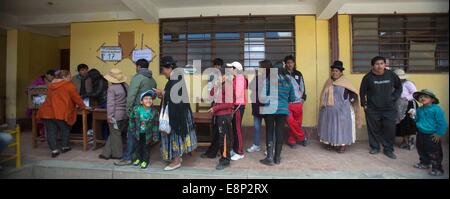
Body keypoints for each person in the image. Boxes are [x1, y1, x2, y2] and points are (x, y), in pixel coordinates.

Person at [155, 56, 197, 171]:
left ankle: (176, 160)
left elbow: (174, 96)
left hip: (177, 114)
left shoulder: (175, 78)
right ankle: (177, 158)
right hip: (179, 112)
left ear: (169, 68)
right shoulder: (176, 77)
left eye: (163, 69)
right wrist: (163, 94)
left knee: (174, 135)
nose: (163, 73)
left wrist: (162, 93)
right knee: (176, 136)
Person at [114, 59, 157, 166]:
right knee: (143, 135)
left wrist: (128, 110)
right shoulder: (153, 80)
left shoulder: (138, 78)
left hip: (137, 110)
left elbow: (131, 95)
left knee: (132, 134)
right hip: (148, 110)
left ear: (138, 66)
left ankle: (128, 158)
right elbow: (154, 95)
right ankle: (139, 157)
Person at [360, 56, 402, 159]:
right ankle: (375, 147)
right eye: (377, 64)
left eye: (382, 63)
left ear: (385, 64)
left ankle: (388, 149)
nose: (379, 66)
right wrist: (364, 104)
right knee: (373, 130)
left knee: (390, 129)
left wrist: (394, 98)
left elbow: (399, 87)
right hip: (373, 109)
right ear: (373, 65)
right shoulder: (368, 77)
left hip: (389, 108)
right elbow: (362, 92)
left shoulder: (391, 75)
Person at [37, 70, 86, 157]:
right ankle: (64, 146)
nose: (71, 78)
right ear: (64, 77)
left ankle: (54, 150)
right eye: (69, 76)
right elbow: (77, 98)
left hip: (47, 111)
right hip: (60, 111)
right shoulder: (68, 85)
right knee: (65, 128)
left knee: (51, 131)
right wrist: (83, 107)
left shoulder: (51, 85)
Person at [318, 61, 362, 153]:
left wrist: (350, 101)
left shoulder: (346, 83)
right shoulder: (328, 82)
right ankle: (331, 142)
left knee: (342, 128)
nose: (334, 73)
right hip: (328, 111)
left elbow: (354, 95)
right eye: (333, 71)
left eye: (337, 71)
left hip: (342, 111)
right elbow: (323, 94)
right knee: (329, 126)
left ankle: (343, 145)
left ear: (341, 72)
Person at [259, 61, 296, 165]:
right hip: (283, 110)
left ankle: (269, 157)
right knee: (280, 132)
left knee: (269, 131)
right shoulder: (288, 81)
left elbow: (262, 97)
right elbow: (292, 98)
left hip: (270, 110)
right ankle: (277, 158)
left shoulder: (269, 80)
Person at [411, 89, 447, 176]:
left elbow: (442, 123)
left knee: (434, 152)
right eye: (421, 97)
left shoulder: (437, 109)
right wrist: (413, 116)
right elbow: (417, 120)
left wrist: (439, 133)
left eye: (426, 97)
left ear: (432, 99)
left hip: (432, 135)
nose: (422, 98)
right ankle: (424, 163)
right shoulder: (419, 110)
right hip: (421, 133)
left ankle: (437, 168)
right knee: (421, 149)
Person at [99, 68, 128, 160]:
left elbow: (111, 104)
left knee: (115, 135)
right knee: (114, 133)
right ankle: (106, 153)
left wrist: (109, 116)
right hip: (125, 114)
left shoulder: (111, 88)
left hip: (116, 115)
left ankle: (117, 154)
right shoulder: (126, 86)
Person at [206, 73, 234, 170]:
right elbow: (211, 94)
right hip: (218, 115)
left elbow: (229, 104)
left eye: (222, 75)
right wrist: (217, 83)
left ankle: (225, 160)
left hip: (224, 115)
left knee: (224, 139)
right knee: (217, 136)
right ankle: (212, 153)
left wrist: (215, 108)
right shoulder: (220, 85)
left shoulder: (228, 85)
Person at [130, 90, 160, 170]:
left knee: (146, 148)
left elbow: (156, 125)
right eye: (146, 99)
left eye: (150, 99)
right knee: (138, 147)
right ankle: (138, 159)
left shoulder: (154, 112)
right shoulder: (136, 109)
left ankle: (145, 160)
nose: (148, 100)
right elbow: (132, 120)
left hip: (148, 134)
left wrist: (155, 136)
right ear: (141, 101)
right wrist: (132, 130)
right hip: (137, 133)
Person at [284, 55, 308, 148]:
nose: (290, 64)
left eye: (291, 62)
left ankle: (292, 140)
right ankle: (302, 137)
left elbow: (303, 87)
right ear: (285, 64)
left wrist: (302, 99)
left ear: (294, 63)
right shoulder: (282, 74)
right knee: (291, 122)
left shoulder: (298, 74)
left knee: (297, 123)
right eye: (288, 62)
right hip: (287, 103)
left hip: (298, 103)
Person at [246, 60, 270, 153]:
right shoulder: (257, 77)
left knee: (270, 128)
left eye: (260, 67)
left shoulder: (271, 78)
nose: (259, 68)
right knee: (256, 127)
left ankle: (270, 147)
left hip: (268, 107)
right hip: (256, 106)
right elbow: (250, 87)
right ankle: (256, 145)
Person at [26, 69, 56, 140]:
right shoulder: (38, 81)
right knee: (40, 119)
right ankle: (41, 133)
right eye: (51, 75)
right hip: (38, 105)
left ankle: (48, 134)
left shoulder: (55, 82)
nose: (52, 77)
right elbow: (28, 90)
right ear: (46, 75)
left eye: (53, 76)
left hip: (51, 105)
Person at [226, 61, 247, 161]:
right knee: (234, 129)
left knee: (237, 129)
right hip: (235, 106)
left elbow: (237, 94)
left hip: (238, 107)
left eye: (231, 68)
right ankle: (235, 149)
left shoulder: (240, 79)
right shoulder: (236, 79)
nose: (229, 70)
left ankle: (240, 152)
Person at [393, 68, 417, 150]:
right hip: (399, 106)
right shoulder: (394, 85)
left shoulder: (408, 83)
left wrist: (406, 98)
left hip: (409, 105)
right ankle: (404, 141)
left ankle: (410, 142)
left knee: (409, 122)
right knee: (402, 123)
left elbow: (415, 93)